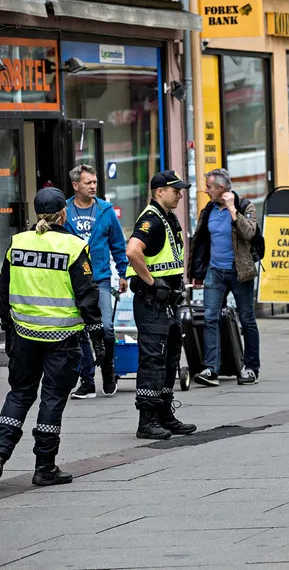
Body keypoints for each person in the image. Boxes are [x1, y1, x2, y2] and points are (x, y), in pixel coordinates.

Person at [0, 188, 104, 485]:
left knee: (19, 395)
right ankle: (44, 467)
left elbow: (3, 290)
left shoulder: (17, 243)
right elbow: (87, 296)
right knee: (52, 398)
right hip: (62, 339)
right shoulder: (73, 246)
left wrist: (8, 326)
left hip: (24, 336)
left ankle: (0, 453)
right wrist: (97, 338)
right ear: (64, 213)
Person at [125, 170, 196, 440]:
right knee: (153, 359)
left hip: (168, 301)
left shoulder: (169, 218)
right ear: (159, 192)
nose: (179, 194)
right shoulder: (152, 220)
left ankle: (165, 413)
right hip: (152, 301)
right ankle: (147, 420)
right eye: (175, 189)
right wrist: (152, 283)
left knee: (169, 358)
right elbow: (133, 251)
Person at [188, 168, 260, 387]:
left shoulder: (245, 206)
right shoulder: (208, 210)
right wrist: (197, 274)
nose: (206, 191)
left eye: (209, 187)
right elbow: (200, 243)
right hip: (215, 271)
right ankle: (211, 369)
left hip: (240, 271)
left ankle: (251, 368)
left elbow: (249, 233)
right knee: (210, 317)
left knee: (246, 319)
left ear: (221, 188)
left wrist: (231, 209)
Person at [65, 164, 128, 400]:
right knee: (80, 330)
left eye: (94, 182)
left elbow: (118, 245)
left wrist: (122, 273)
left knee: (106, 330)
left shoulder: (105, 210)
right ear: (75, 185)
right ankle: (87, 381)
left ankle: (108, 370)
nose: (93, 186)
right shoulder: (65, 211)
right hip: (72, 280)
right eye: (88, 183)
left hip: (100, 278)